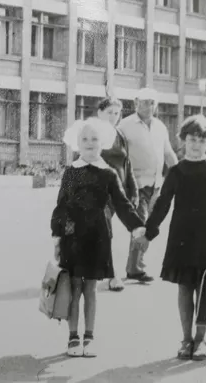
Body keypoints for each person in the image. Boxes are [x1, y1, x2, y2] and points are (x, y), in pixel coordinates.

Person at [139, 115, 206, 361]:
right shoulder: (176, 171)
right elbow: (162, 204)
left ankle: (201, 340)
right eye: (192, 139)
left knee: (204, 290)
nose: (196, 145)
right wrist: (149, 232)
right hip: (181, 238)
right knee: (184, 288)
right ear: (183, 140)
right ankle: (186, 339)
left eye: (202, 141)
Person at [52, 117, 146, 358]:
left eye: (94, 139)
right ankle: (73, 337)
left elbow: (122, 204)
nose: (89, 143)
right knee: (74, 288)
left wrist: (136, 226)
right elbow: (61, 206)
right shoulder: (71, 172)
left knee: (91, 289)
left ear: (102, 142)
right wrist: (57, 236)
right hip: (73, 238)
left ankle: (89, 337)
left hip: (98, 237)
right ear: (77, 143)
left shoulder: (109, 173)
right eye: (84, 139)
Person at [118, 88, 178, 283]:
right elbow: (118, 156)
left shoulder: (160, 126)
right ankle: (136, 268)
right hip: (136, 185)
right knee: (141, 224)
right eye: (144, 102)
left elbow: (168, 153)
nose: (148, 106)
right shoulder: (125, 125)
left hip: (156, 185)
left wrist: (180, 174)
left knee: (150, 225)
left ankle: (134, 266)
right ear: (136, 103)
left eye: (152, 102)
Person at [96, 97, 139, 292]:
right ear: (100, 113)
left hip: (119, 194)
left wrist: (134, 190)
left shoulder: (119, 134)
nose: (113, 116)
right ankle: (112, 276)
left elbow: (127, 164)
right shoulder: (93, 134)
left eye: (116, 113)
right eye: (109, 112)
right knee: (105, 233)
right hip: (100, 193)